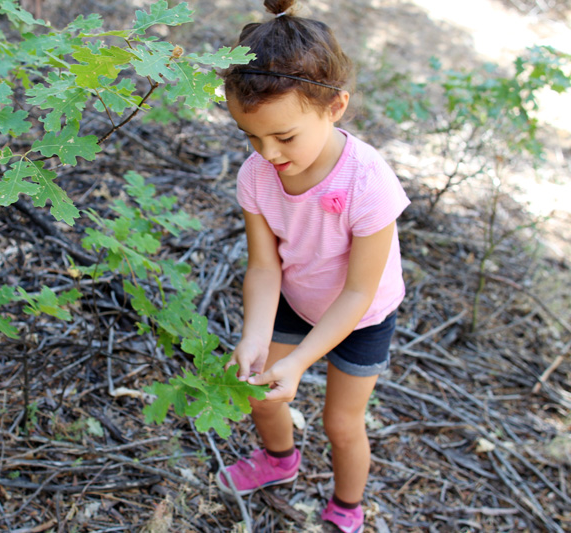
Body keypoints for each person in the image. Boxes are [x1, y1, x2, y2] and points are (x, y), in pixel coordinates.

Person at [216, 1, 410, 532]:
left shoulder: (367, 182)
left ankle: (348, 505)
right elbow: (263, 267)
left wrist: (300, 360)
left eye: (284, 136)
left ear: (334, 107)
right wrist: (256, 337)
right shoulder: (257, 175)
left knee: (341, 423)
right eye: (251, 136)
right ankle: (279, 461)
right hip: (296, 297)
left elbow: (357, 292)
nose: (268, 152)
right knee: (260, 389)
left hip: (360, 316)